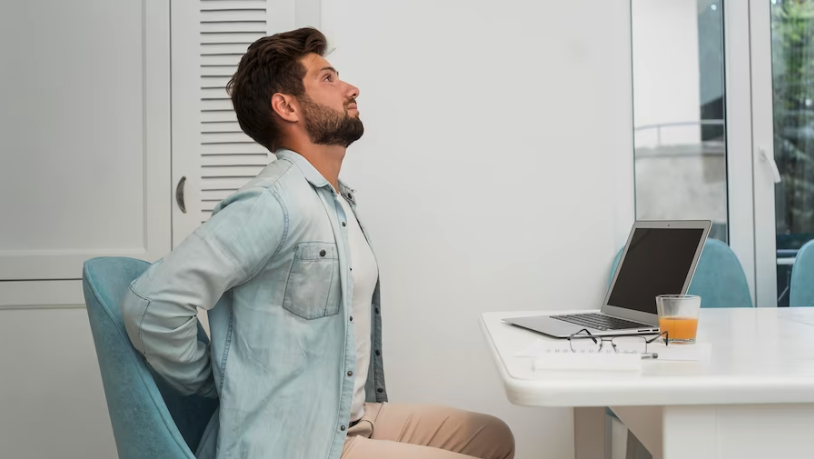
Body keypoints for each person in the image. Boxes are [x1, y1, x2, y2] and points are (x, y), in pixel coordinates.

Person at [121, 27, 515, 459]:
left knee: (492, 437)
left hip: (348, 417)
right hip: (297, 442)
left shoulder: (335, 200)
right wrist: (220, 383)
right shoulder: (274, 202)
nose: (350, 88)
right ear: (286, 106)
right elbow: (152, 303)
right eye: (328, 78)